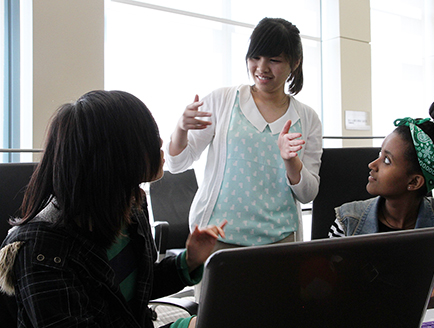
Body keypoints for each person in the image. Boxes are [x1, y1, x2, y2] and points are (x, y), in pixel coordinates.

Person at [0, 90, 226, 328]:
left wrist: (189, 261)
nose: (159, 142)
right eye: (150, 135)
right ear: (113, 155)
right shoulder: (42, 250)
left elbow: (132, 289)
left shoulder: (130, 207)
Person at [167, 17, 322, 249]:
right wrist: (181, 128)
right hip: (216, 236)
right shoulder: (222, 101)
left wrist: (291, 162)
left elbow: (308, 194)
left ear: (295, 63)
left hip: (280, 240)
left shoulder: (307, 118)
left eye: (274, 60)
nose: (261, 68)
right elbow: (176, 164)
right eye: (255, 57)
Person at [329, 98, 434, 298]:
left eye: (386, 160)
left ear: (414, 182)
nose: (372, 165)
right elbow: (328, 291)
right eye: (379, 153)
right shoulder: (347, 222)